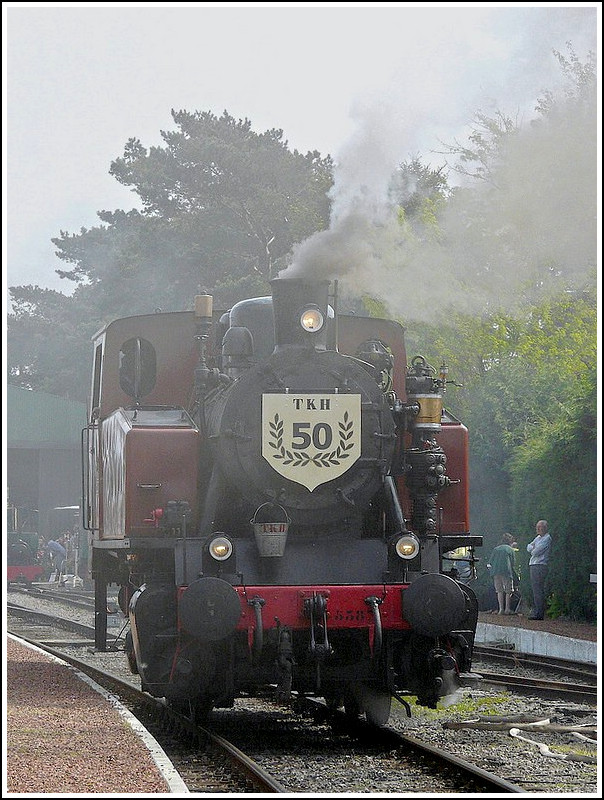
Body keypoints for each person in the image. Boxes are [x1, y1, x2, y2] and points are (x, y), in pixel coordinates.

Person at [526, 519, 552, 620]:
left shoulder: (547, 538)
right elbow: (528, 547)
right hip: (534, 565)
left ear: (544, 528)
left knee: (538, 589)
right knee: (535, 589)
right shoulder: (538, 538)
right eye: (537, 527)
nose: (537, 529)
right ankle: (537, 611)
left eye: (539, 527)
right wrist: (532, 548)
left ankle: (539, 613)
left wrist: (532, 548)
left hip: (540, 565)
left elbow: (535, 552)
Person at [487, 533, 517, 615]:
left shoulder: (496, 549)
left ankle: (501, 609)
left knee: (499, 591)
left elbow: (491, 562)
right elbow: (513, 563)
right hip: (506, 572)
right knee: (508, 591)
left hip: (495, 572)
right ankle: (507, 609)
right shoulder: (510, 549)